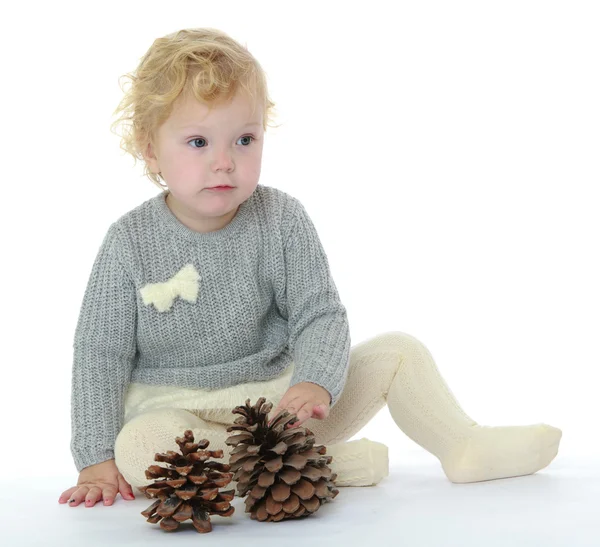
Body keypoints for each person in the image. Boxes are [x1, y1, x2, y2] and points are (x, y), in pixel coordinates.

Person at [58, 27, 562, 509]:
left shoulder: (281, 218)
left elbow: (319, 313)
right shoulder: (129, 241)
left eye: (244, 139)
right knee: (141, 446)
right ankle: (324, 467)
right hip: (180, 412)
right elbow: (99, 355)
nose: (225, 162)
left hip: (281, 405)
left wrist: (316, 381)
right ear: (150, 149)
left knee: (399, 353)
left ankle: (462, 444)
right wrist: (95, 460)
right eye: (198, 142)